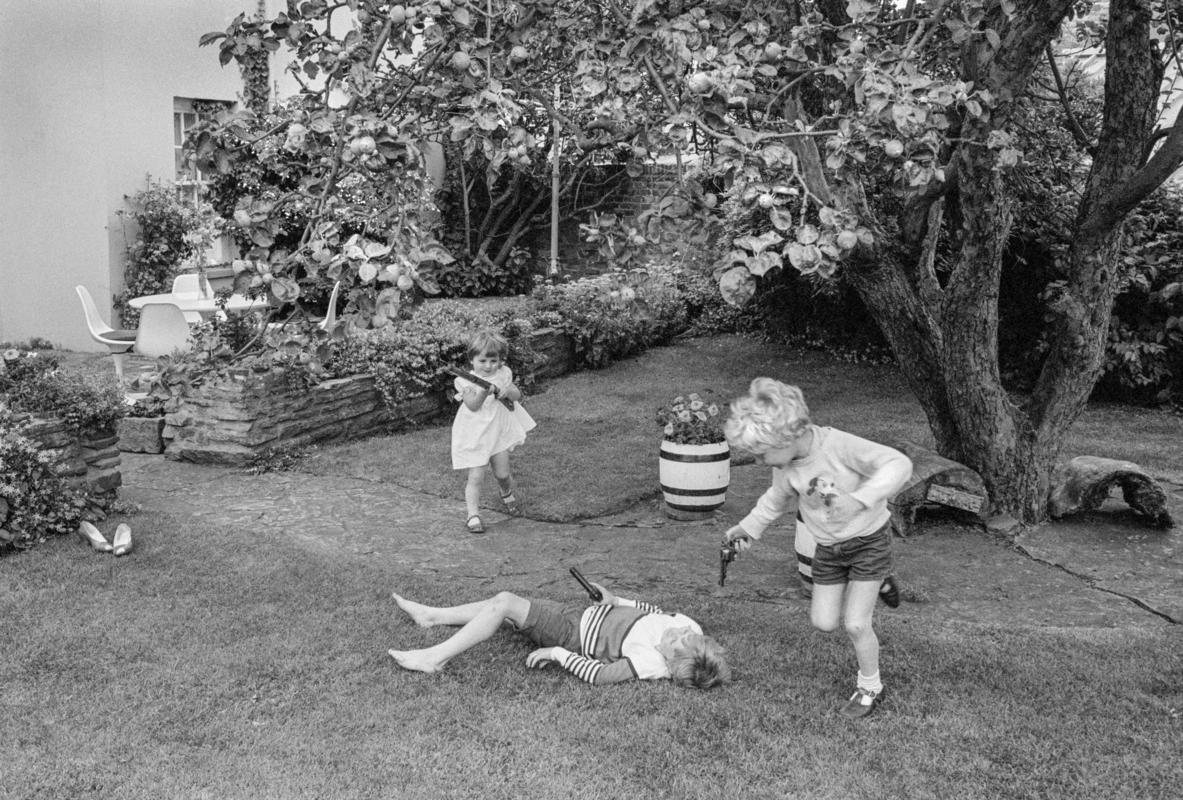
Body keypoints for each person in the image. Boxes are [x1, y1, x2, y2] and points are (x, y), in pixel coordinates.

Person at [721, 378, 912, 718]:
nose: (762, 460)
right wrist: (748, 528)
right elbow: (775, 500)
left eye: (763, 452)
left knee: (855, 624)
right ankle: (882, 581)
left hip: (868, 542)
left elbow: (898, 464)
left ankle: (869, 687)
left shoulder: (838, 446)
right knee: (824, 622)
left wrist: (859, 500)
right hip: (829, 549)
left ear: (788, 435)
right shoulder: (786, 465)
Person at [387, 584, 731, 689]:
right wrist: (615, 600)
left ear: (670, 663)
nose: (677, 630)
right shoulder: (690, 628)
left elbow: (599, 675)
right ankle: (432, 616)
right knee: (502, 608)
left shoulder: (651, 663)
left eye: (674, 639)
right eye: (684, 632)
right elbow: (654, 611)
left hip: (571, 634)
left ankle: (435, 657)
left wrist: (556, 653)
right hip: (581, 615)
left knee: (506, 602)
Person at [451, 329, 536, 534]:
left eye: (493, 360)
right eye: (482, 361)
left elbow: (516, 395)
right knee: (476, 477)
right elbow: (472, 405)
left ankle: (506, 492)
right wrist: (482, 392)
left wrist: (507, 391)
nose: (488, 366)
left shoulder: (503, 374)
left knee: (503, 473)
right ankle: (473, 515)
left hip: (498, 430)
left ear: (500, 360)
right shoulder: (464, 380)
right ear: (472, 360)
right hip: (475, 432)